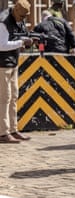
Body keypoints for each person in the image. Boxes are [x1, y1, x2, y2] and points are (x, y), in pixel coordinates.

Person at [0, 0, 32, 143]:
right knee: (4, 99)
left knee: (13, 97)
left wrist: (25, 42)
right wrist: (21, 43)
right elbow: (2, 45)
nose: (23, 19)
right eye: (22, 16)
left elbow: (17, 37)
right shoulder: (4, 22)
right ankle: (3, 132)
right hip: (2, 65)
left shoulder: (19, 20)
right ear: (15, 11)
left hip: (13, 63)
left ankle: (13, 129)